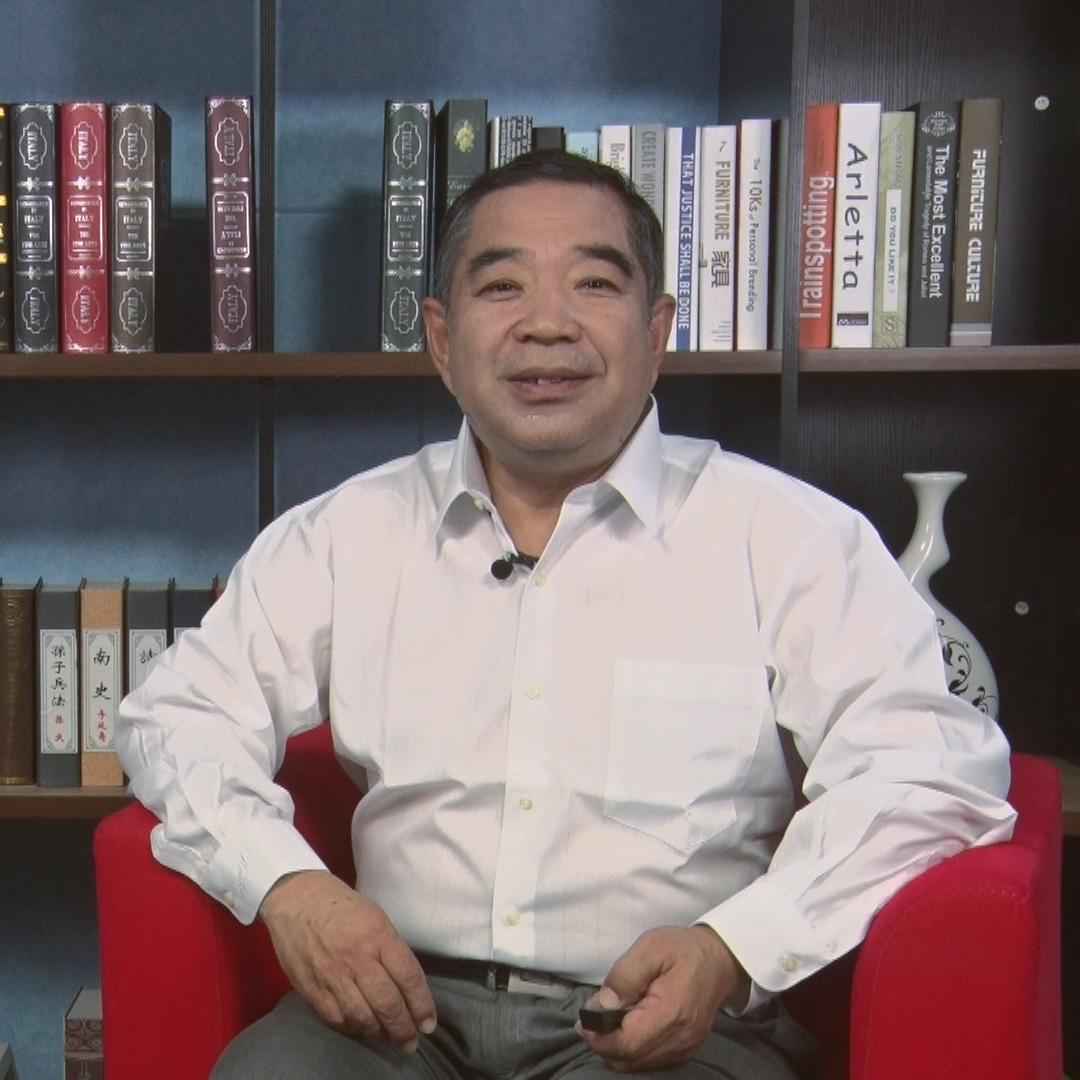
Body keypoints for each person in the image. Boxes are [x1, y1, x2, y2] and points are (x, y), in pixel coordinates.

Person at [116, 149, 1016, 1080]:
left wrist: (736, 947)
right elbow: (175, 715)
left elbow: (929, 771)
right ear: (441, 337)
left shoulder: (792, 538)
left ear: (657, 330)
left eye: (594, 283)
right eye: (502, 286)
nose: (547, 325)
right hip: (392, 1016)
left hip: (664, 1029)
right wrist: (288, 884)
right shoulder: (346, 532)